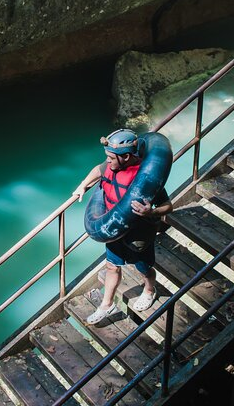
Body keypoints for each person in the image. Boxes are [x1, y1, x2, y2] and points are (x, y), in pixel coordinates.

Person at [73, 129, 173, 324]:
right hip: (113, 230)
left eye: (111, 158)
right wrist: (83, 185)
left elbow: (168, 206)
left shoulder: (145, 178)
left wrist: (150, 212)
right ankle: (106, 305)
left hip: (138, 233)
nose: (108, 162)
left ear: (126, 157)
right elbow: (97, 169)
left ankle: (150, 290)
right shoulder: (111, 166)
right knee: (112, 266)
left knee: (143, 268)